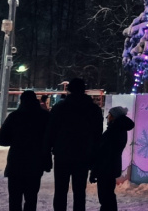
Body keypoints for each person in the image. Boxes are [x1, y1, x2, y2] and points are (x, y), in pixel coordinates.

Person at [45, 78, 102, 211]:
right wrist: (95, 157)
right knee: (80, 192)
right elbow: (97, 136)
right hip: (84, 155)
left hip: (62, 154)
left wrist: (47, 151)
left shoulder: (60, 108)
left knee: (60, 191)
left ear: (69, 89)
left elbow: (50, 132)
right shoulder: (93, 109)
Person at [0, 90, 52, 211]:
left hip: (16, 162)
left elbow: (1, 140)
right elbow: (51, 139)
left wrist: (16, 140)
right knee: (31, 198)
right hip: (36, 162)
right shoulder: (44, 117)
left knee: (15, 199)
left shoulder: (14, 116)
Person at [91, 105, 134, 211]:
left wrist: (95, 170)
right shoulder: (119, 130)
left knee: (105, 196)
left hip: (105, 168)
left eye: (109, 115)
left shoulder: (113, 131)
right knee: (109, 194)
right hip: (111, 167)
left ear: (114, 117)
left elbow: (103, 153)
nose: (107, 117)